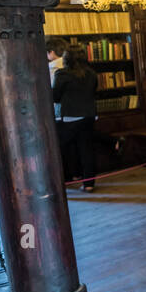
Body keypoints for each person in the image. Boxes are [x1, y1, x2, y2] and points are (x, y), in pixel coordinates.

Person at [52, 43, 99, 191]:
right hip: (89, 115)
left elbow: (55, 97)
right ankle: (89, 184)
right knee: (87, 150)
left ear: (66, 59)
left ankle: (63, 181)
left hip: (70, 117)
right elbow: (93, 92)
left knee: (60, 148)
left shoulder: (62, 74)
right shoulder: (92, 73)